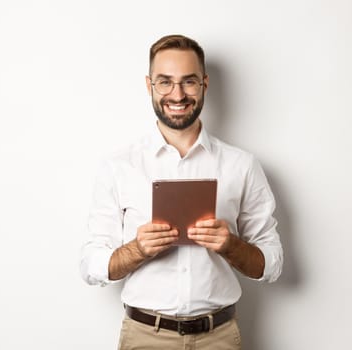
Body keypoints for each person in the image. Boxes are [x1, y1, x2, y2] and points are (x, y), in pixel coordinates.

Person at [80, 34, 283, 350]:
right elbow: (91, 265)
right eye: (165, 82)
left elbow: (271, 264)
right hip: (145, 337)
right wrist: (137, 249)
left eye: (188, 82)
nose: (177, 94)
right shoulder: (118, 167)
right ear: (149, 86)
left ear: (204, 84)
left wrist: (230, 245)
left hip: (219, 337)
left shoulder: (241, 165)